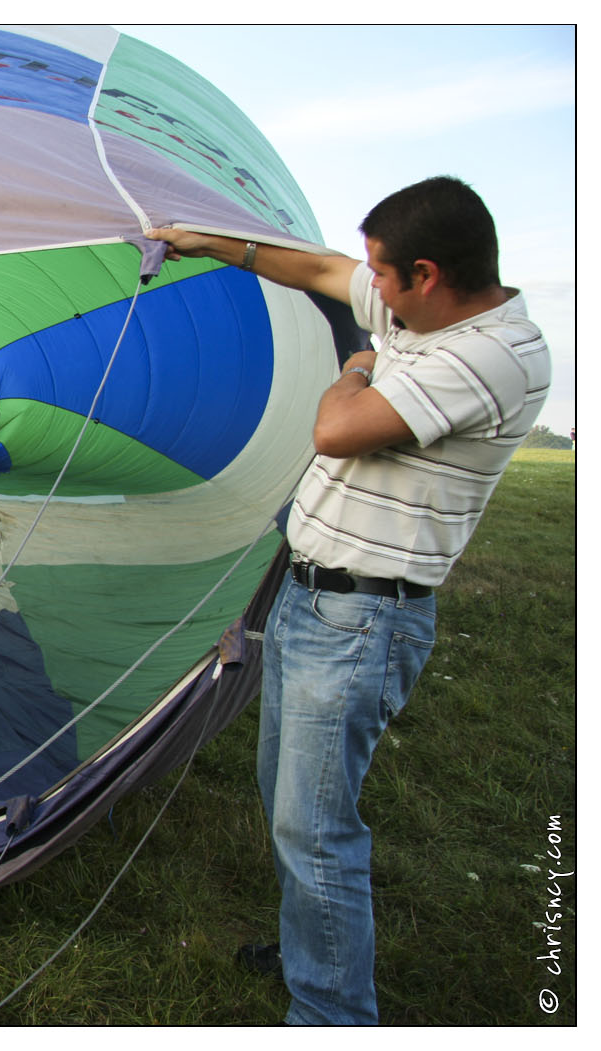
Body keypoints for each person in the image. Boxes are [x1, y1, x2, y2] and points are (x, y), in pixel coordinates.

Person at [148, 176, 549, 1024]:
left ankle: (330, 1013)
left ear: (428, 273)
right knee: (286, 802)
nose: (372, 293)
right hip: (307, 598)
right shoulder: (416, 313)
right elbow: (322, 270)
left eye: (384, 276)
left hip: (363, 619)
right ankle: (310, 955)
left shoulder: (491, 356)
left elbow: (336, 428)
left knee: (317, 828)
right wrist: (207, 242)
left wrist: (357, 362)